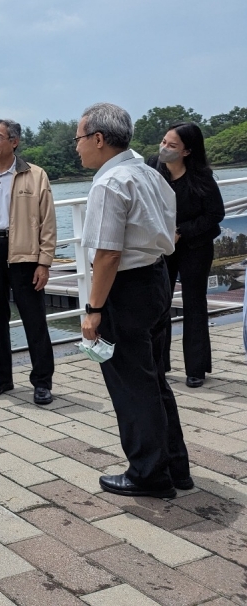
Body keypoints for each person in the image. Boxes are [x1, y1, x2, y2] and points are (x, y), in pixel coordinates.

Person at [76, 102, 192, 498]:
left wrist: (93, 310)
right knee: (154, 379)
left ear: (98, 139)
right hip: (157, 277)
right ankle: (175, 466)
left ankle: (149, 474)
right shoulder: (150, 173)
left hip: (126, 288)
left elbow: (108, 254)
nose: (77, 147)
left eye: (79, 138)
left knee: (133, 386)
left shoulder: (110, 183)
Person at [0, 118, 57, 404]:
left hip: (25, 254)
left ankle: (42, 382)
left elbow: (48, 222)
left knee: (34, 319)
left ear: (14, 142)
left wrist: (44, 262)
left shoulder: (35, 175)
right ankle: (1, 378)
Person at [150, 123, 225, 388]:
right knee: (160, 303)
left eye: (172, 146)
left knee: (194, 304)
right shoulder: (153, 168)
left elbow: (215, 214)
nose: (164, 148)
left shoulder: (201, 177)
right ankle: (159, 364)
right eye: (164, 142)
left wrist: (182, 231)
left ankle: (196, 368)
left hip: (196, 246)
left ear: (187, 151)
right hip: (163, 246)